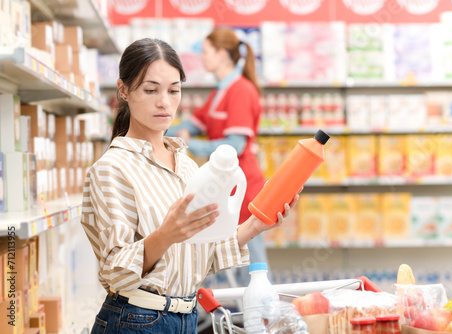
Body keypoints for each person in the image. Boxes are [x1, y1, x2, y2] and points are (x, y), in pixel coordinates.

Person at [81, 38, 299, 333]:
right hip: (137, 320)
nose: (165, 102)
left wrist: (258, 224)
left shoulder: (185, 163)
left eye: (174, 90)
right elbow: (115, 271)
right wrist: (165, 235)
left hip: (186, 317)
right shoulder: (112, 169)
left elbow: (199, 254)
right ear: (124, 90)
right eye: (150, 90)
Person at [167, 28, 268, 285]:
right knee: (231, 252)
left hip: (243, 187)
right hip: (224, 184)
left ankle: (261, 319)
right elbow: (194, 122)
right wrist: (164, 128)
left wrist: (191, 146)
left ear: (222, 54)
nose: (201, 57)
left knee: (250, 260)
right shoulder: (219, 92)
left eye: (206, 52)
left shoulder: (241, 91)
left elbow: (235, 145)